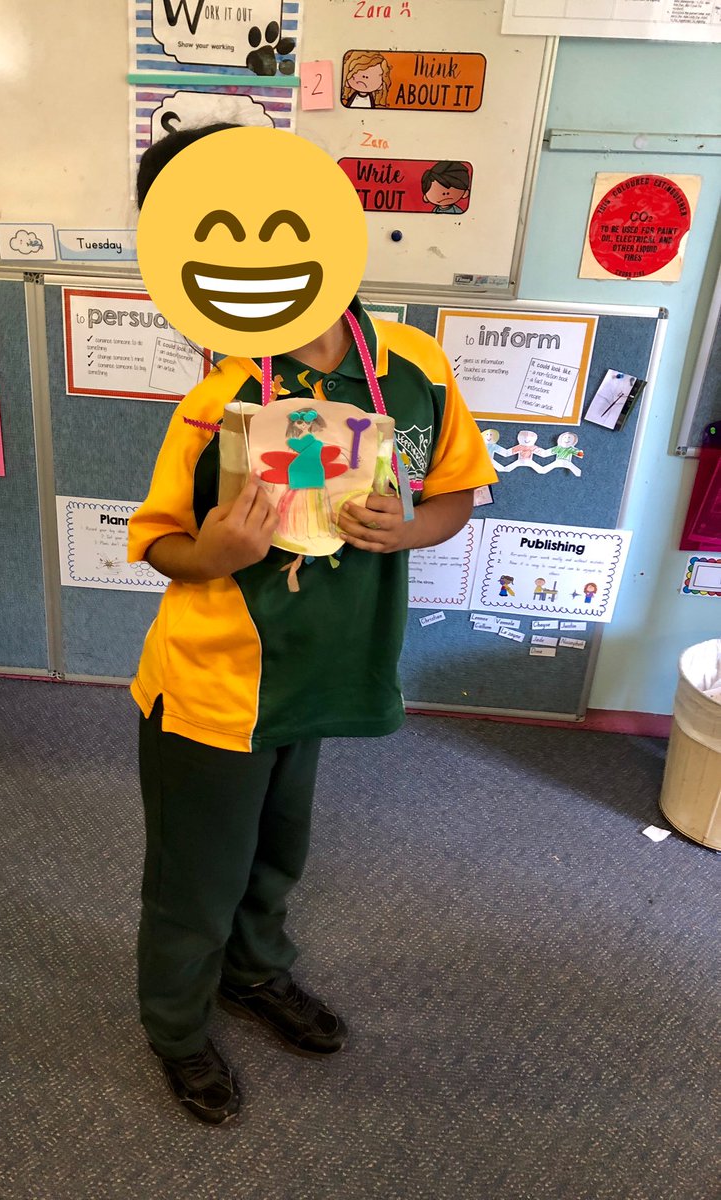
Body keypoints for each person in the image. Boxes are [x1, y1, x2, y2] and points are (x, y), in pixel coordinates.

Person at [128, 125, 498, 1125]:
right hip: (214, 684)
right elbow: (161, 540)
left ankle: (255, 973)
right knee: (196, 876)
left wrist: (406, 527)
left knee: (275, 854)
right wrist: (219, 551)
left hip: (322, 673)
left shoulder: (413, 366)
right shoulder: (216, 402)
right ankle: (176, 1025)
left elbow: (459, 492)